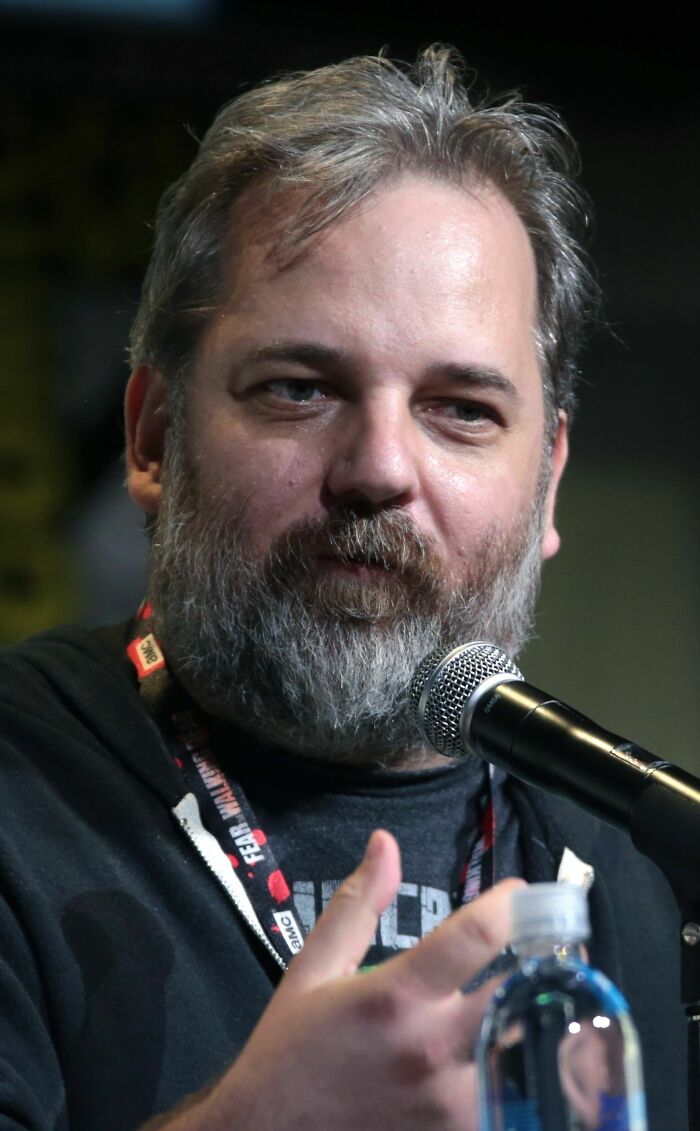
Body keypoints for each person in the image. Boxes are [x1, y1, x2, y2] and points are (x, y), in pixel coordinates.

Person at [0, 46, 686, 1131]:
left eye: (460, 408)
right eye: (299, 388)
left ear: (546, 479)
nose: (378, 468)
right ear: (153, 435)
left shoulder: (632, 871)